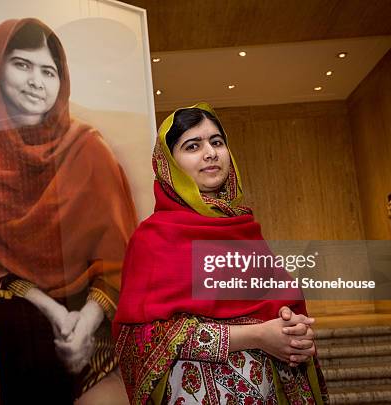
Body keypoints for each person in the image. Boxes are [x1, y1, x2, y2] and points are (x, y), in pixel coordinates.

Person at [0, 18, 137, 404]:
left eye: (48, 71)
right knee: (11, 327)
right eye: (21, 64)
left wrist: (83, 323)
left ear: (61, 81)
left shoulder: (88, 149)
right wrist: (55, 312)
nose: (37, 81)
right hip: (11, 301)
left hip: (92, 311)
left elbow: (119, 257)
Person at [113, 103, 328, 404]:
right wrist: (257, 336)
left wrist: (293, 334)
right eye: (192, 146)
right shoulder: (153, 239)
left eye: (216, 142)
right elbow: (144, 339)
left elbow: (278, 306)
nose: (210, 152)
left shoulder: (244, 230)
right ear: (169, 165)